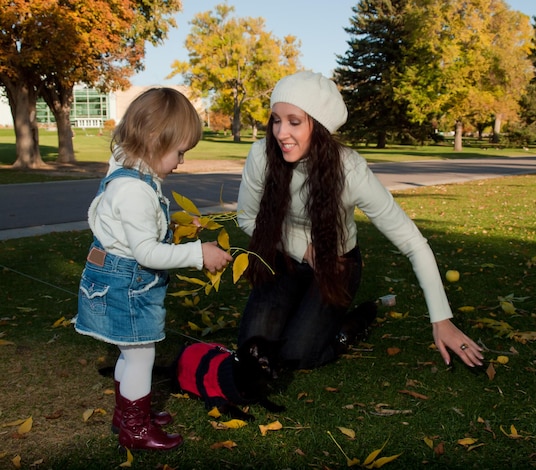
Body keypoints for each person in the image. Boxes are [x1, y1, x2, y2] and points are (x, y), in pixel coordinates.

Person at [236, 71, 484, 370]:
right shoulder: (261, 156)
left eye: (294, 121)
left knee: (296, 355)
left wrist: (441, 319)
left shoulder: (350, 171)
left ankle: (353, 323)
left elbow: (412, 242)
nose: (279, 132)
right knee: (252, 350)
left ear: (321, 127)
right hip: (284, 259)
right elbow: (247, 217)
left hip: (336, 264)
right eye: (276, 119)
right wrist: (303, 249)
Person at [74, 88, 232, 451]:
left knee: (130, 353)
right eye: (178, 152)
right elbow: (146, 252)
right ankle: (135, 427)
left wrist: (171, 226)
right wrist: (198, 253)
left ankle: (128, 412)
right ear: (151, 140)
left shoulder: (126, 167)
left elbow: (137, 230)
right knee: (141, 354)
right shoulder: (134, 191)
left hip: (113, 274)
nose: (180, 162)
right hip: (126, 282)